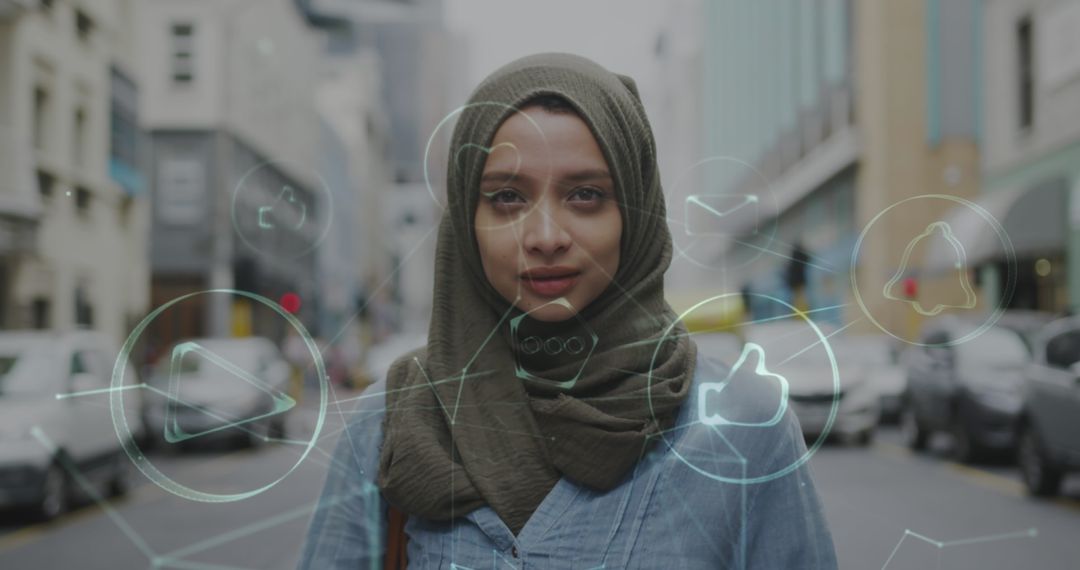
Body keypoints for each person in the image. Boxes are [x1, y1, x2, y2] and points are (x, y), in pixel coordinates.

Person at [298, 53, 837, 569]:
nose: (546, 236)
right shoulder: (393, 418)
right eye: (507, 197)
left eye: (585, 195)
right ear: (465, 218)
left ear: (635, 213)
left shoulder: (742, 423)